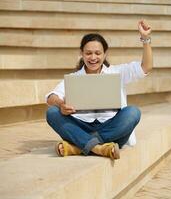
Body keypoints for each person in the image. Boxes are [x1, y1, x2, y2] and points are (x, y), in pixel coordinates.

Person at [45, 20, 152, 160]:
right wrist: (61, 104)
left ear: (105, 54)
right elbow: (51, 97)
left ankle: (79, 146)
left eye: (97, 53)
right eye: (88, 53)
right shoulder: (74, 78)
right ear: (82, 54)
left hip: (112, 130)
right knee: (52, 112)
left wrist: (145, 39)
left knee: (133, 112)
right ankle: (99, 148)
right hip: (82, 127)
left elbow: (146, 67)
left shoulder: (117, 72)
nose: (93, 57)